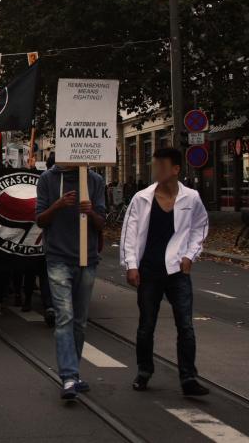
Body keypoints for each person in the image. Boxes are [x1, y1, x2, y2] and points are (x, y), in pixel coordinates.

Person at [120, 148, 210, 396]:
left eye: (161, 165)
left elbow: (200, 228)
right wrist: (131, 265)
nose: (155, 169)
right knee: (146, 325)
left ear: (175, 170)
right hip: (149, 270)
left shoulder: (191, 198)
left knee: (186, 326)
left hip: (177, 272)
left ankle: (188, 378)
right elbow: (129, 233)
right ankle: (144, 371)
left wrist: (190, 255)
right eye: (154, 164)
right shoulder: (142, 198)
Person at [36, 163, 105, 400]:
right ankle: (68, 376)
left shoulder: (95, 180)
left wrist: (92, 212)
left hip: (87, 258)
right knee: (64, 315)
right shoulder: (47, 179)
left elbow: (102, 223)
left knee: (80, 321)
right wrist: (57, 205)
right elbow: (40, 220)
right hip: (58, 258)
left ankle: (73, 374)